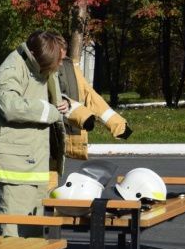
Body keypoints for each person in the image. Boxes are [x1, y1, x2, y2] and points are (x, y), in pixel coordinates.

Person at [0, 30, 69, 249]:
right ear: (40, 57)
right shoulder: (11, 70)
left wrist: (61, 102)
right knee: (15, 212)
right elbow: (10, 106)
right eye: (57, 61)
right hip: (15, 157)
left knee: (34, 209)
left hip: (34, 154)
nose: (59, 66)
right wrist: (52, 111)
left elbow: (39, 98)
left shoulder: (36, 67)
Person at [50, 33, 132, 171]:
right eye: (58, 59)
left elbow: (90, 95)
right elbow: (54, 100)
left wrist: (117, 125)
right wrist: (83, 117)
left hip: (62, 133)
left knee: (51, 180)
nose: (60, 63)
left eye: (63, 58)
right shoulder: (38, 71)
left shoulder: (69, 68)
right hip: (45, 135)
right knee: (42, 182)